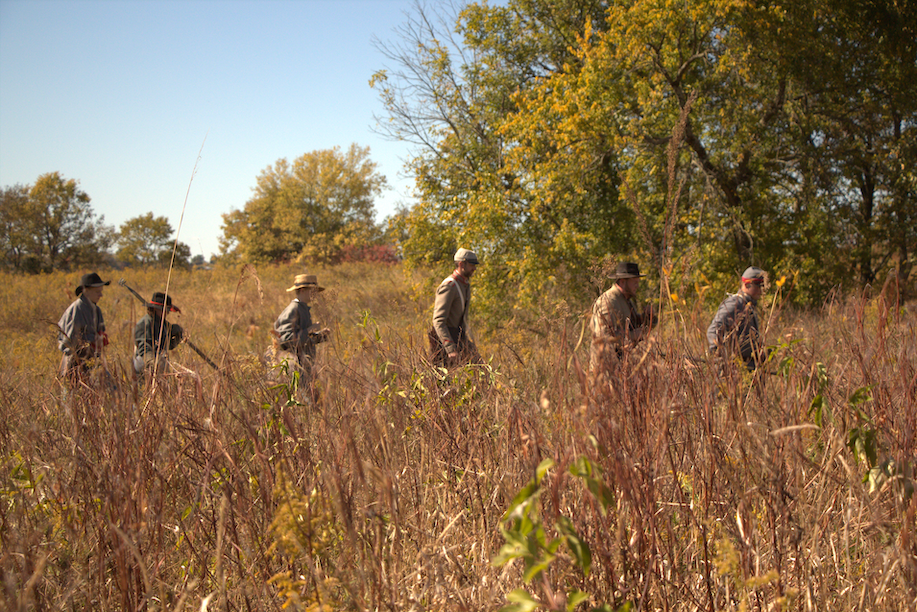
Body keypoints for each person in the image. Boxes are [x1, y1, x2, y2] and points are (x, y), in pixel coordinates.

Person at [589, 261, 653, 371]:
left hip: (620, 366)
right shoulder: (608, 301)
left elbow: (634, 326)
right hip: (605, 369)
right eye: (634, 283)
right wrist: (633, 335)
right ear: (623, 281)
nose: (637, 286)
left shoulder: (625, 300)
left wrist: (648, 317)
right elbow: (603, 337)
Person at [272, 274, 331, 386]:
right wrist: (310, 329)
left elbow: (302, 340)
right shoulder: (293, 309)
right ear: (303, 290)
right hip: (294, 370)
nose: (315, 294)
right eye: (312, 291)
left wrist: (320, 335)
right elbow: (286, 341)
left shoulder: (302, 308)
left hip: (303, 368)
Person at [706, 266, 767, 370]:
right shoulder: (735, 304)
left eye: (763, 286)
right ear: (747, 284)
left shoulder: (747, 305)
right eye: (758, 285)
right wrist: (721, 356)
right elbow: (713, 330)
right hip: (735, 370)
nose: (761, 290)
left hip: (747, 369)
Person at [429, 248, 481, 366]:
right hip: (444, 342)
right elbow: (438, 321)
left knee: (480, 368)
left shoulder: (464, 285)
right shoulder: (449, 286)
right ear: (461, 264)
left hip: (459, 337)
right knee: (444, 377)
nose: (474, 268)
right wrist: (450, 348)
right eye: (472, 265)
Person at [57, 272, 110, 384]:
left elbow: (100, 331)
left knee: (110, 386)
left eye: (101, 291)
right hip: (74, 364)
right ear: (86, 291)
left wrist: (101, 338)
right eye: (97, 292)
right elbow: (70, 343)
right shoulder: (77, 309)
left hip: (92, 361)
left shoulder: (96, 309)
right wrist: (93, 340)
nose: (101, 295)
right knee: (72, 393)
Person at [133, 292, 184, 379]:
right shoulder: (144, 324)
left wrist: (178, 335)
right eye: (165, 310)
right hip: (144, 365)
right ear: (156, 309)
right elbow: (144, 349)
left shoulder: (162, 323)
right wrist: (153, 363)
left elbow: (167, 345)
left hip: (159, 363)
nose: (167, 313)